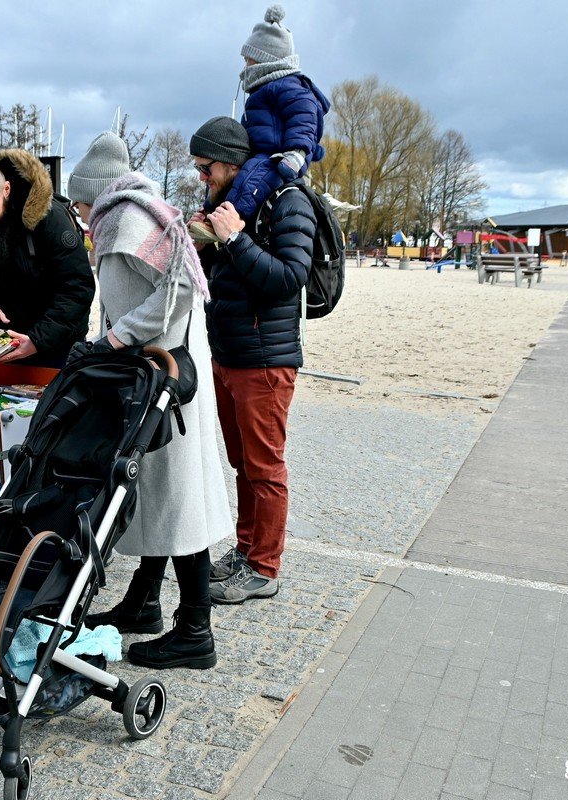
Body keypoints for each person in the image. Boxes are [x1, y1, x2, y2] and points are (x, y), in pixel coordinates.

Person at [67, 132, 233, 670]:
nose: (76, 211)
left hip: (164, 374)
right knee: (160, 493)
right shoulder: (133, 215)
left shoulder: (126, 221)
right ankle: (144, 602)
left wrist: (121, 337)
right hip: (159, 371)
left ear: (95, 193)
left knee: (176, 499)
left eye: (77, 200)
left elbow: (183, 286)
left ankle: (195, 631)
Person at [187, 116, 315, 604]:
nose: (202, 177)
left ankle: (264, 567)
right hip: (229, 353)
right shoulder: (228, 203)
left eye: (206, 167)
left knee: (265, 467)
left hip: (266, 359)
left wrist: (235, 240)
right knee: (243, 464)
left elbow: (289, 278)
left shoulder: (288, 200)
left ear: (231, 162)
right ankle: (245, 551)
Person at [191, 5, 329, 243]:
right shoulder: (263, 91)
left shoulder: (289, 87)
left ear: (266, 60)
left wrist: (297, 152)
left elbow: (305, 119)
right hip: (263, 152)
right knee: (224, 179)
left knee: (250, 180)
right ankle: (209, 213)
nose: (245, 67)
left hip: (282, 156)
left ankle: (228, 221)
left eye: (249, 60)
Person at [0, 150, 95, 367]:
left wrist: (37, 340)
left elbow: (78, 288)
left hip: (55, 345)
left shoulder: (48, 218)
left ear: (6, 189)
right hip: (3, 346)